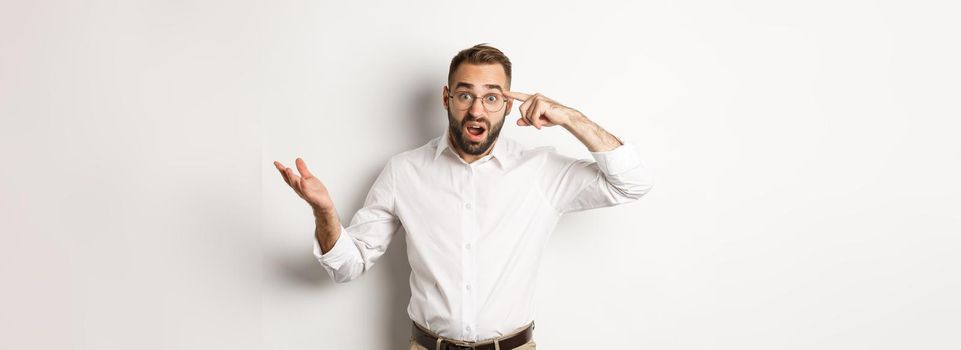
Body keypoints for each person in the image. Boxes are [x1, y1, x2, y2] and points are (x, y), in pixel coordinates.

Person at [273, 43, 654, 350]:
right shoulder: (404, 172)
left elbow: (632, 183)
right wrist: (324, 211)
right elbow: (346, 267)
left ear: (507, 105)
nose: (476, 109)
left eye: (491, 98)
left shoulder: (541, 171)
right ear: (446, 98)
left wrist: (571, 117)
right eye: (465, 95)